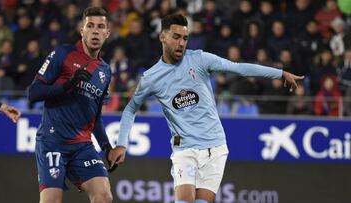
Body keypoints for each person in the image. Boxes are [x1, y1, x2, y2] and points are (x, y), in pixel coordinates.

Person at [109, 14, 304, 203]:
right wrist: (121, 144)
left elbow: (238, 68)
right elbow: (130, 109)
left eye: (185, 38)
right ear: (163, 37)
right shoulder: (151, 77)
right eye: (176, 37)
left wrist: (279, 73)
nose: (181, 43)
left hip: (216, 147)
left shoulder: (200, 59)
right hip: (184, 149)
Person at [28, 7, 114, 203]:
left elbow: (96, 116)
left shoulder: (105, 71)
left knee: (103, 196)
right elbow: (33, 93)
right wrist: (68, 85)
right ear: (81, 30)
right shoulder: (62, 54)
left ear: (107, 33)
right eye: (90, 26)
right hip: (53, 141)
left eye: (101, 27)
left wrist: (106, 147)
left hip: (82, 146)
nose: (95, 31)